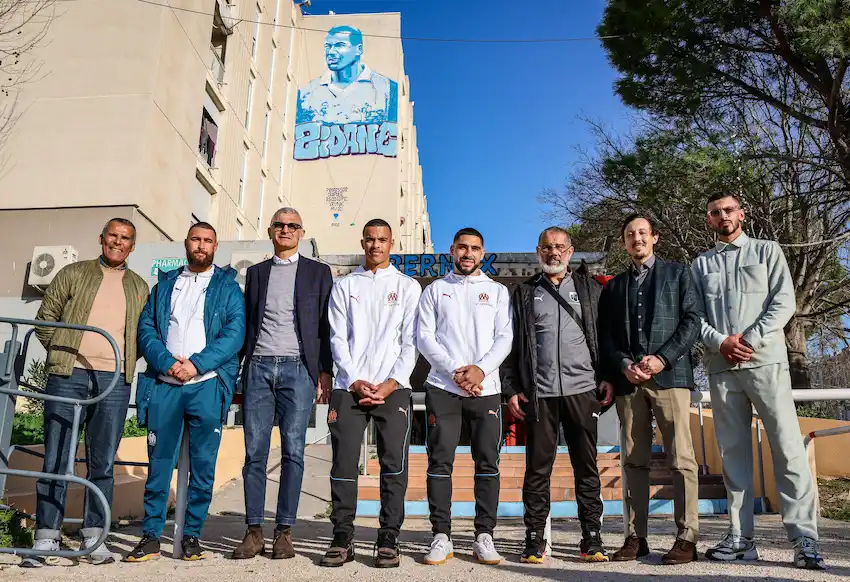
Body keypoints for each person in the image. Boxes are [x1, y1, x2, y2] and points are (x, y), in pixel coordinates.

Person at [691, 193, 825, 570]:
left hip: (765, 363)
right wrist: (721, 342)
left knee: (787, 449)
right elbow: (694, 314)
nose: (723, 216)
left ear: (741, 214)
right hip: (722, 369)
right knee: (733, 456)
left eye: (728, 210)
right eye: (715, 212)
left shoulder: (768, 252)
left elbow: (784, 303)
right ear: (709, 220)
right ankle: (740, 538)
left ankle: (805, 540)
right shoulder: (700, 265)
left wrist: (747, 340)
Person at [24, 218, 149, 568]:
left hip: (113, 382)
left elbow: (142, 336)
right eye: (113, 236)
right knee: (57, 457)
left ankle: (95, 538)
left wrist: (121, 362)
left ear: (132, 246)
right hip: (69, 375)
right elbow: (45, 319)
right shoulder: (73, 273)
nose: (118, 242)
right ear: (102, 239)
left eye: (126, 238)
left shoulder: (139, 286)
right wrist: (63, 353)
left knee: (103, 462)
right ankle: (46, 538)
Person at [125, 223, 245, 562]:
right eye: (196, 239)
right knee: (159, 463)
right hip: (165, 384)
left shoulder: (228, 288)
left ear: (216, 246)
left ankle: (192, 536)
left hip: (206, 385)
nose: (201, 245)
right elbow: (146, 327)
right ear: (186, 243)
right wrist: (165, 363)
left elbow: (234, 334)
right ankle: (150, 537)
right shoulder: (165, 285)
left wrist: (195, 365)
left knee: (204, 467)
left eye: (207, 241)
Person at [502, 226, 612, 564]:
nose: (554, 253)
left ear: (570, 250)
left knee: (587, 467)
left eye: (560, 247)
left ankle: (591, 538)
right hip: (541, 394)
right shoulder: (523, 293)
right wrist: (512, 389)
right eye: (547, 247)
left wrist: (606, 377)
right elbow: (511, 346)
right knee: (537, 470)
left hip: (582, 390)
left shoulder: (590, 290)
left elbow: (604, 337)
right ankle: (535, 538)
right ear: (538, 252)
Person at [598, 214, 702, 565]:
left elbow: (692, 322)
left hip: (670, 378)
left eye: (643, 232)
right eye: (630, 234)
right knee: (632, 461)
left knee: (681, 459)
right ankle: (634, 536)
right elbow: (607, 336)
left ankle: (687, 537)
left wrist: (662, 359)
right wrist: (624, 364)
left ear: (655, 237)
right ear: (624, 242)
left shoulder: (679, 274)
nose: (636, 238)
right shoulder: (613, 287)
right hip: (630, 383)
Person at [232, 207, 333, 560]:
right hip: (258, 367)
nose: (286, 230)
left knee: (293, 452)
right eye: (280, 225)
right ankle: (254, 530)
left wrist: (325, 371)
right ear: (271, 230)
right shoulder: (257, 273)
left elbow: (325, 325)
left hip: (298, 370)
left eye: (292, 226)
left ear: (301, 232)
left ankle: (284, 532)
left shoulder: (319, 273)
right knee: (255, 453)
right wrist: (237, 368)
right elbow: (247, 323)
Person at [319, 219, 421, 568]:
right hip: (350, 387)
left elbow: (412, 341)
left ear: (392, 243)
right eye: (370, 240)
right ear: (362, 242)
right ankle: (342, 537)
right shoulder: (345, 286)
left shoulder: (408, 287)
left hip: (394, 388)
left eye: (382, 240)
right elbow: (336, 338)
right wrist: (353, 379)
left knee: (393, 466)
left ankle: (388, 537)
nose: (376, 245)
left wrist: (392, 382)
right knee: (344, 464)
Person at [416, 227, 513, 566]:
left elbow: (504, 339)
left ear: (482, 253)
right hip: (444, 388)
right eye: (462, 247)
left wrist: (480, 371)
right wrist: (458, 370)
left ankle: (484, 536)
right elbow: (424, 338)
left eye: (474, 248)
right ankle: (441, 535)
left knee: (487, 462)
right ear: (451, 250)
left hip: (485, 390)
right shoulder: (435, 291)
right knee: (439, 461)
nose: (467, 253)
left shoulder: (498, 291)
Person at [296, 25, 398, 125]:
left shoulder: (388, 89)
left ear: (359, 49)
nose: (331, 52)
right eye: (328, 46)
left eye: (340, 45)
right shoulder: (306, 93)